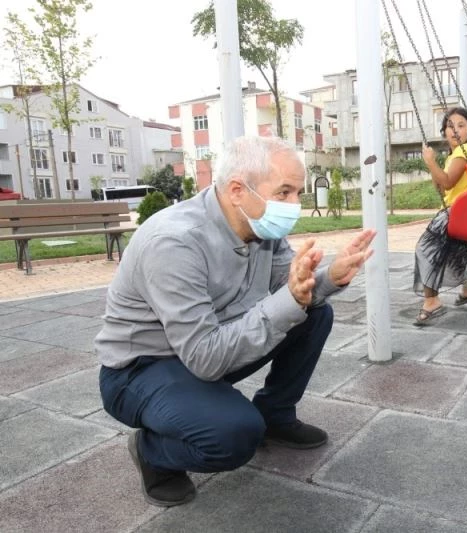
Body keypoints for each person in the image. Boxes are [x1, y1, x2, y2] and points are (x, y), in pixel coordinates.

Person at [96, 136, 375, 507]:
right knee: (233, 436)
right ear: (238, 190)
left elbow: (288, 288)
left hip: (206, 348)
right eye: (285, 192)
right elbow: (206, 358)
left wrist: (329, 278)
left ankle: (275, 416)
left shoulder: (259, 226)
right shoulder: (174, 242)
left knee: (314, 313)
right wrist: (291, 299)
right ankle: (153, 453)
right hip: (142, 370)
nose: (295, 205)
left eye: (298, 193)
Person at [412, 106, 467, 325]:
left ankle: (431, 301)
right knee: (455, 254)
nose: (455, 130)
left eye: (461, 125)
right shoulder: (456, 155)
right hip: (464, 212)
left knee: (425, 249)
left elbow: (448, 182)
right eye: (450, 126)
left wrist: (430, 162)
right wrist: (435, 168)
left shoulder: (463, 151)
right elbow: (442, 187)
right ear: (444, 131)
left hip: (455, 212)